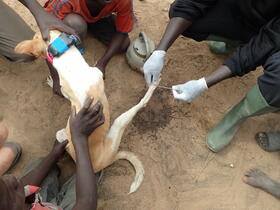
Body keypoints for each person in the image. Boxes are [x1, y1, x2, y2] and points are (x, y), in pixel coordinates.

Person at [143, 0, 280, 152]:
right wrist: (159, 52)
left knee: (278, 79)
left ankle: (237, 116)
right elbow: (191, 3)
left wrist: (203, 83)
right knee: (184, 16)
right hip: (244, 14)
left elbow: (265, 44)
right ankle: (235, 42)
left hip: (275, 36)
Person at [0, 97, 105, 210]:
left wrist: (53, 155)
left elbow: (23, 186)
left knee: (39, 163)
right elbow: (87, 203)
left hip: (38, 203)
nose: (9, 178)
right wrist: (80, 138)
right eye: (13, 189)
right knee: (92, 169)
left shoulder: (14, 202)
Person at [43, 0, 134, 78]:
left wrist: (102, 64)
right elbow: (46, 29)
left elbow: (122, 33)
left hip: (99, 17)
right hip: (71, 16)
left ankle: (90, 25)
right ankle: (79, 30)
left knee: (123, 44)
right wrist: (56, 78)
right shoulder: (64, 2)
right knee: (75, 24)